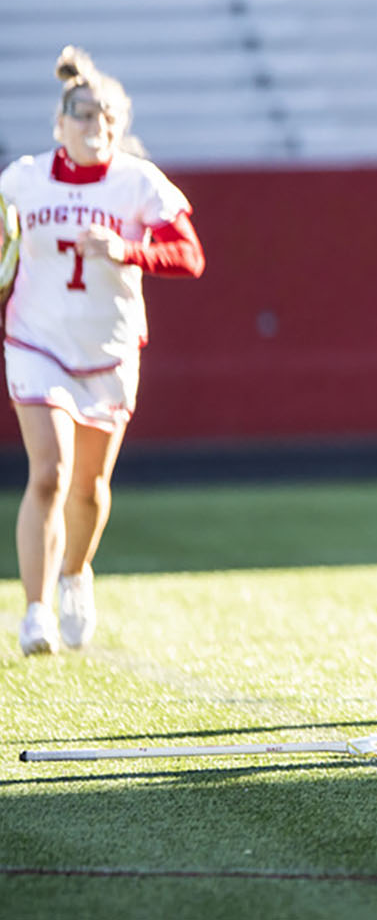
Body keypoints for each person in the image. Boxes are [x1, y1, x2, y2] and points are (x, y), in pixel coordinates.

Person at [8, 48, 205, 656]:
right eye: (85, 116)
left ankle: (75, 574)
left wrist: (128, 251)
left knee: (88, 489)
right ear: (60, 123)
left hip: (109, 349)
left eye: (108, 118)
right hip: (36, 340)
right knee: (50, 473)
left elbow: (190, 255)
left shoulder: (138, 182)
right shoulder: (21, 179)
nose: (97, 127)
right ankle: (35, 612)